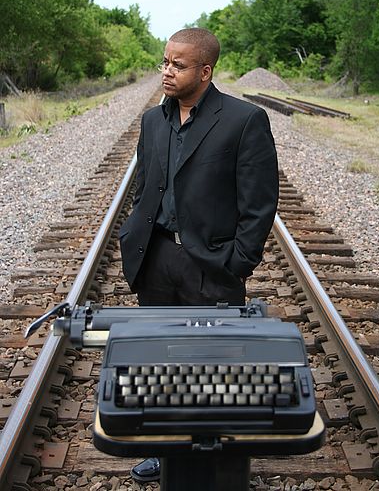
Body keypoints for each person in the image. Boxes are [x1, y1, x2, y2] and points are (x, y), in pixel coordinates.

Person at [119, 27, 279, 483]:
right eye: (165, 62)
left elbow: (259, 205)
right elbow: (143, 186)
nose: (166, 71)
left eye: (179, 65)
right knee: (159, 357)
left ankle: (212, 450)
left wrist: (237, 262)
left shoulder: (244, 120)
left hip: (212, 265)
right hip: (156, 260)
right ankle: (165, 449)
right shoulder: (153, 121)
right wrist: (135, 235)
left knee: (213, 359)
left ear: (205, 72)